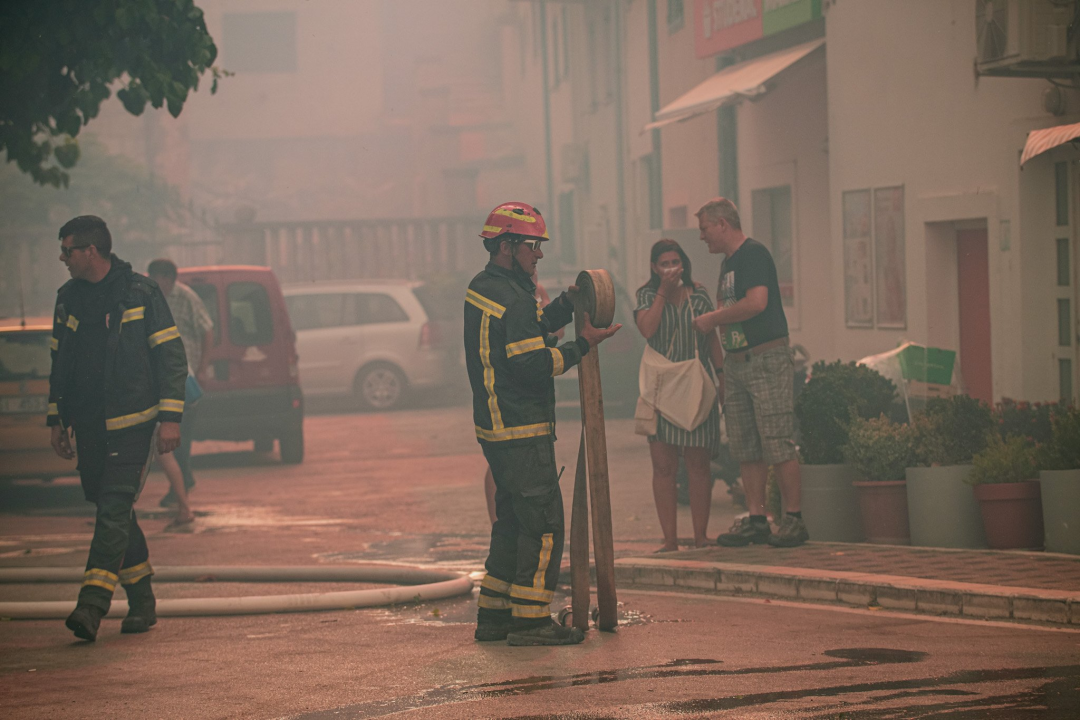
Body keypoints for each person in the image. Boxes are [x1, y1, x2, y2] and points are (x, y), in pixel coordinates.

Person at [465, 201, 620, 646]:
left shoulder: (488, 287)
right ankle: (531, 621)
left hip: (496, 429)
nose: (539, 254)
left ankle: (494, 617)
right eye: (533, 245)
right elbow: (532, 363)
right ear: (508, 245)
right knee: (545, 523)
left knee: (511, 522)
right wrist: (581, 347)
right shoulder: (512, 297)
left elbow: (529, 331)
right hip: (521, 428)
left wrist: (568, 305)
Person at [48, 216, 188, 641]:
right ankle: (143, 601)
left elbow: (171, 357)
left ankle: (92, 605)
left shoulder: (140, 292)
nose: (62, 258)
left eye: (67, 250)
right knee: (116, 513)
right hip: (89, 426)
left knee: (112, 507)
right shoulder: (68, 298)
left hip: (133, 423)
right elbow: (59, 363)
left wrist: (170, 418)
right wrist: (57, 417)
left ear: (91, 250)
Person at [692, 198, 809, 548]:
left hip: (766, 358)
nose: (702, 237)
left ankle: (794, 518)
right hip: (738, 361)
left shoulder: (753, 255)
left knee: (777, 439)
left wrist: (712, 319)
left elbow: (756, 302)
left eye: (704, 229)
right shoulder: (728, 263)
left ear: (723, 224)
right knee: (746, 445)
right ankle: (757, 518)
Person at [635, 239, 723, 552]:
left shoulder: (699, 294)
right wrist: (662, 291)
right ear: (654, 268)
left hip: (696, 385)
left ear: (683, 264)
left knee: (698, 465)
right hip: (660, 388)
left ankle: (701, 536)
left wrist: (722, 377)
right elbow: (647, 329)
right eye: (664, 264)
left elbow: (712, 339)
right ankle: (669, 539)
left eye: (675, 262)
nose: (671, 268)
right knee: (663, 466)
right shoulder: (646, 295)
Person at [481, 273, 560, 525]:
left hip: (534, 389)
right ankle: (499, 522)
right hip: (508, 392)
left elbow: (555, 331)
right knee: (501, 462)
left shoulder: (535, 291)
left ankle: (511, 524)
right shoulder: (506, 295)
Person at [147, 258, 213, 509]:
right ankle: (183, 485)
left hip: (185, 377)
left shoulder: (186, 298)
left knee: (178, 437)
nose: (155, 283)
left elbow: (207, 329)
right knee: (172, 439)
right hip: (162, 377)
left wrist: (204, 366)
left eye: (158, 278)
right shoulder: (150, 299)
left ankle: (182, 488)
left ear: (169, 279)